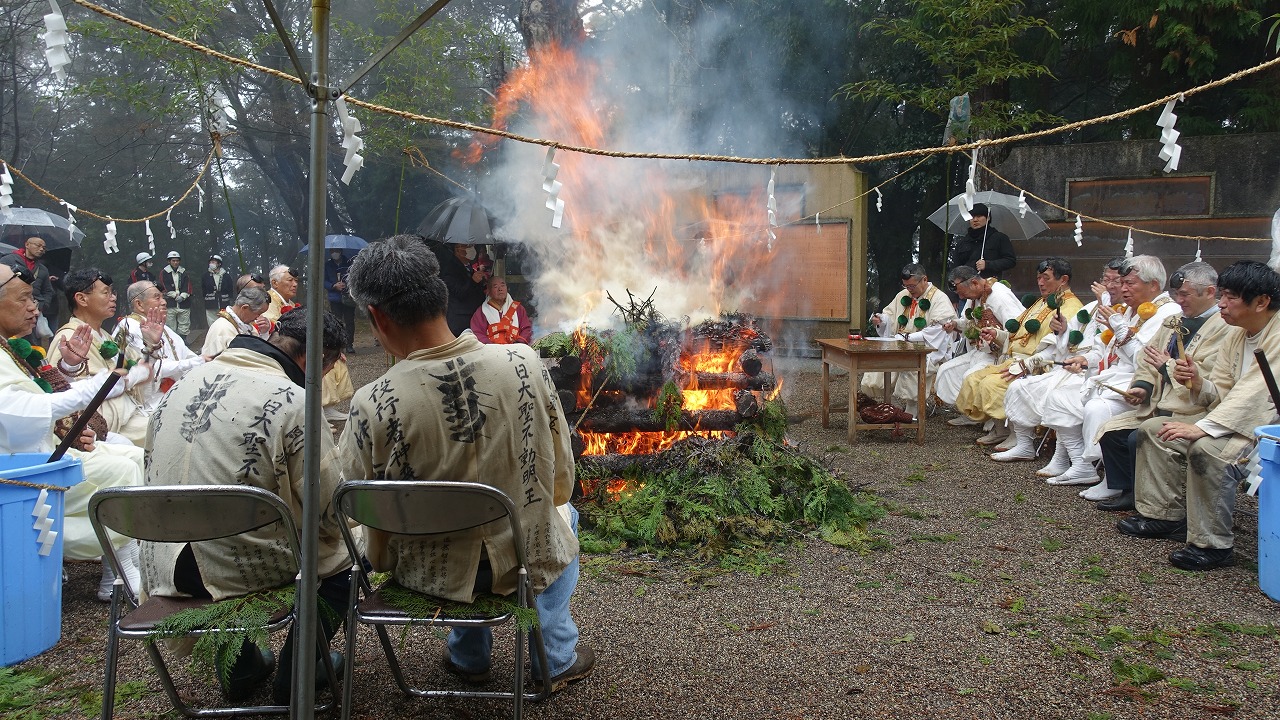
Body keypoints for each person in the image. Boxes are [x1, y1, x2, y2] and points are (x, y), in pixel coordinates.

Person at [339, 235, 594, 693]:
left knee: (458, 524)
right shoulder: (524, 362)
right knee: (562, 514)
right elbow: (560, 478)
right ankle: (554, 657)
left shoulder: (371, 402)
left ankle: (468, 656)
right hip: (522, 556)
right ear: (439, 294)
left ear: (376, 316)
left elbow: (358, 506)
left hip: (428, 571)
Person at [140, 308, 351, 702]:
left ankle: (241, 667)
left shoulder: (184, 385)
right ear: (315, 359)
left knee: (223, 535)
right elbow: (328, 506)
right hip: (238, 567)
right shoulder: (295, 401)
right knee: (348, 562)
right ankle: (298, 672)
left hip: (167, 560)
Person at [1117, 261, 1280, 571]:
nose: (1221, 304)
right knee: (1154, 428)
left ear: (1261, 302)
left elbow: (1257, 395)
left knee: (1208, 449)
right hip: (1231, 419)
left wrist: (1205, 428)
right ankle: (1164, 515)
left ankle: (1213, 544)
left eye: (1231, 297)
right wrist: (1195, 381)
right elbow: (1219, 390)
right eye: (1222, 295)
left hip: (1267, 429)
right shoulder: (1238, 334)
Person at [0, 263, 146, 602]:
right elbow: (24, 408)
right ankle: (121, 569)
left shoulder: (11, 345)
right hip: (22, 466)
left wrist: (68, 367)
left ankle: (125, 562)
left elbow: (45, 387)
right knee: (123, 467)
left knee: (133, 457)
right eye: (23, 299)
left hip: (50, 445)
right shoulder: (62, 333)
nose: (34, 307)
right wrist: (104, 380)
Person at [1094, 262, 1231, 512]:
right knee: (1112, 431)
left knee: (1140, 436)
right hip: (1160, 402)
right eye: (1177, 294)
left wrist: (1167, 367)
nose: (1179, 300)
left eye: (1185, 295)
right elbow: (1149, 358)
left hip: (1193, 410)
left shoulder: (1224, 327)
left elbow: (1206, 373)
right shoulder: (1173, 320)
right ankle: (1130, 491)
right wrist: (1143, 387)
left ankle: (1161, 507)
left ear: (1210, 292)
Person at [1040, 255, 1180, 489]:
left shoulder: (1167, 312)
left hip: (1138, 385)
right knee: (1059, 397)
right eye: (1121, 283)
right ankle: (1080, 464)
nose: (1122, 289)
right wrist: (1084, 359)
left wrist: (1119, 327)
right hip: (1109, 377)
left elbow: (1143, 361)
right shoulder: (1128, 311)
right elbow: (1105, 351)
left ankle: (1110, 482)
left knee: (1096, 408)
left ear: (1153, 285)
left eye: (1129, 284)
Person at [997, 262, 1120, 473]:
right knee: (1019, 387)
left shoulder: (1124, 314)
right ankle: (1025, 446)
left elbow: (1109, 351)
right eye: (1105, 279)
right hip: (1069, 367)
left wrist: (1085, 360)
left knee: (1060, 398)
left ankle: (1074, 462)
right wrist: (1061, 331)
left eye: (1115, 281)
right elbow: (1064, 347)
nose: (1108, 285)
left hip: (1096, 374)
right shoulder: (1090, 308)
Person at [955, 258, 1084, 447]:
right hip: (1013, 359)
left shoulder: (1071, 308)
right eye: (1039, 278)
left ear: (1063, 280)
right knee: (973, 379)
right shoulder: (1040, 302)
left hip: (1040, 366)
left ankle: (1019, 435)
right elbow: (1017, 336)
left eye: (1046, 278)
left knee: (992, 384)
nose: (1040, 283)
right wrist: (997, 334)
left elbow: (1058, 349)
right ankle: (1001, 430)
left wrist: (1027, 364)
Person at [47, 269, 156, 445]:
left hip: (130, 415)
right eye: (106, 293)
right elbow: (67, 398)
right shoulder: (69, 339)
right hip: (105, 428)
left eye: (112, 293)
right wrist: (135, 375)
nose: (113, 298)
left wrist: (151, 344)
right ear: (82, 299)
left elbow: (143, 368)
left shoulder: (106, 336)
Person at [861, 264, 958, 411]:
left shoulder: (940, 299)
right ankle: (891, 405)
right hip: (899, 344)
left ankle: (912, 411)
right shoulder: (903, 295)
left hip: (926, 348)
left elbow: (939, 330)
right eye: (906, 285)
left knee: (914, 368)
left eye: (912, 286)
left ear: (924, 280)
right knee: (879, 363)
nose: (909, 289)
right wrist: (881, 320)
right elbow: (891, 315)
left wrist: (908, 337)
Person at [935, 265, 1024, 415]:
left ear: (975, 283)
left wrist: (996, 335)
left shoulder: (1000, 295)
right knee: (946, 371)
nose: (962, 298)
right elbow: (968, 322)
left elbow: (1018, 327)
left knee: (969, 377)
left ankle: (993, 422)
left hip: (1001, 356)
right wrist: (955, 324)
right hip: (980, 352)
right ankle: (969, 412)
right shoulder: (973, 297)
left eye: (963, 294)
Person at [117, 281, 207, 417]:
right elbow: (153, 368)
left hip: (176, 391)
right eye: (157, 298)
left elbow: (187, 355)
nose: (164, 302)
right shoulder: (130, 326)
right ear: (139, 304)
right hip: (152, 401)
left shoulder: (163, 327)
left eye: (163, 297)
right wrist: (198, 362)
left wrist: (206, 362)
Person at [1, 236, 56, 345]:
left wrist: (41, 306)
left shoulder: (43, 269)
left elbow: (48, 291)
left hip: (34, 314)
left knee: (33, 345)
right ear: (27, 244)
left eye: (44, 248)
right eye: (38, 245)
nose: (41, 249)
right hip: (14, 310)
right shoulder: (8, 261)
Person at [948, 203, 1016, 280]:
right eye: (972, 217)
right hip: (967, 287)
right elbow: (955, 268)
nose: (975, 220)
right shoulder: (962, 243)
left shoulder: (999, 238)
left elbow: (1010, 261)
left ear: (988, 218)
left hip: (990, 285)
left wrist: (988, 265)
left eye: (979, 216)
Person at [202, 286, 272, 356]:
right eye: (258, 313)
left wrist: (264, 334)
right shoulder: (222, 329)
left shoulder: (249, 327)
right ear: (245, 308)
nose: (258, 318)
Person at [439, 243, 488, 336]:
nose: (472, 248)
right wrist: (473, 281)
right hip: (460, 320)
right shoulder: (450, 268)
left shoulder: (469, 266)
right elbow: (459, 292)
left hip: (474, 316)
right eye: (468, 246)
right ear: (458, 249)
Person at [470, 275, 533, 344]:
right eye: (495, 286)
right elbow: (477, 332)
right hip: (492, 350)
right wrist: (491, 346)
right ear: (488, 291)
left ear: (507, 288)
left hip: (516, 348)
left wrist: (520, 342)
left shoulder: (518, 308)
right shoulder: (482, 311)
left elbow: (527, 328)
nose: (500, 289)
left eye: (503, 285)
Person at [324, 249, 356, 353]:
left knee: (349, 321)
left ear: (341, 251)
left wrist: (347, 285)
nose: (334, 253)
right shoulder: (327, 265)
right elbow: (324, 281)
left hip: (348, 297)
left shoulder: (349, 263)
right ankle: (338, 345)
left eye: (336, 250)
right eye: (332, 251)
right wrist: (333, 286)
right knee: (336, 322)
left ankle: (349, 344)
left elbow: (354, 277)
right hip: (335, 298)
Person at [157, 250, 194, 340]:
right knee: (170, 324)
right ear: (169, 261)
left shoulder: (184, 272)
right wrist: (174, 295)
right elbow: (164, 286)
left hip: (184, 303)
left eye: (177, 260)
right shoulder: (164, 272)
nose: (175, 262)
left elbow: (188, 286)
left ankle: (183, 341)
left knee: (184, 323)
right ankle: (172, 342)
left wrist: (183, 296)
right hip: (170, 303)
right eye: (173, 260)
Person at [202, 254, 233, 328]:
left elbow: (230, 289)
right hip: (210, 303)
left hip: (224, 303)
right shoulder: (205, 276)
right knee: (212, 322)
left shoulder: (226, 276)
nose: (211, 264)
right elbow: (203, 290)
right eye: (210, 262)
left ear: (219, 264)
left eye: (214, 262)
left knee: (225, 321)